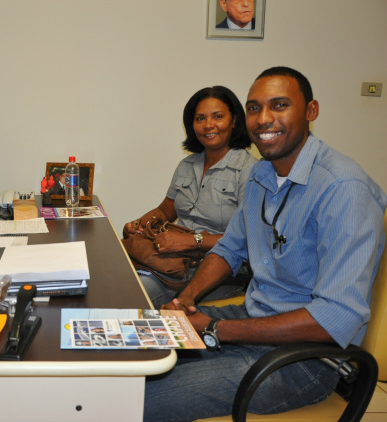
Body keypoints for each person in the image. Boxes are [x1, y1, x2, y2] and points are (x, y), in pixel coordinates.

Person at [143, 67, 387, 421]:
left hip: (304, 361)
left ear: (311, 111)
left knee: (135, 395)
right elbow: (229, 249)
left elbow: (336, 319)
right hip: (253, 319)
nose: (264, 119)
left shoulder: (344, 190)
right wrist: (187, 299)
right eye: (255, 108)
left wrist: (215, 329)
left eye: (280, 105)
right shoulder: (262, 174)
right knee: (128, 352)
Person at [123, 86, 257, 307]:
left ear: (234, 121)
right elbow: (165, 210)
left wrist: (192, 240)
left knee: (131, 297)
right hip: (170, 260)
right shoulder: (187, 165)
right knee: (112, 279)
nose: (208, 125)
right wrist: (139, 224)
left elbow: (249, 240)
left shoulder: (250, 170)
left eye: (218, 116)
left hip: (217, 271)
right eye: (200, 118)